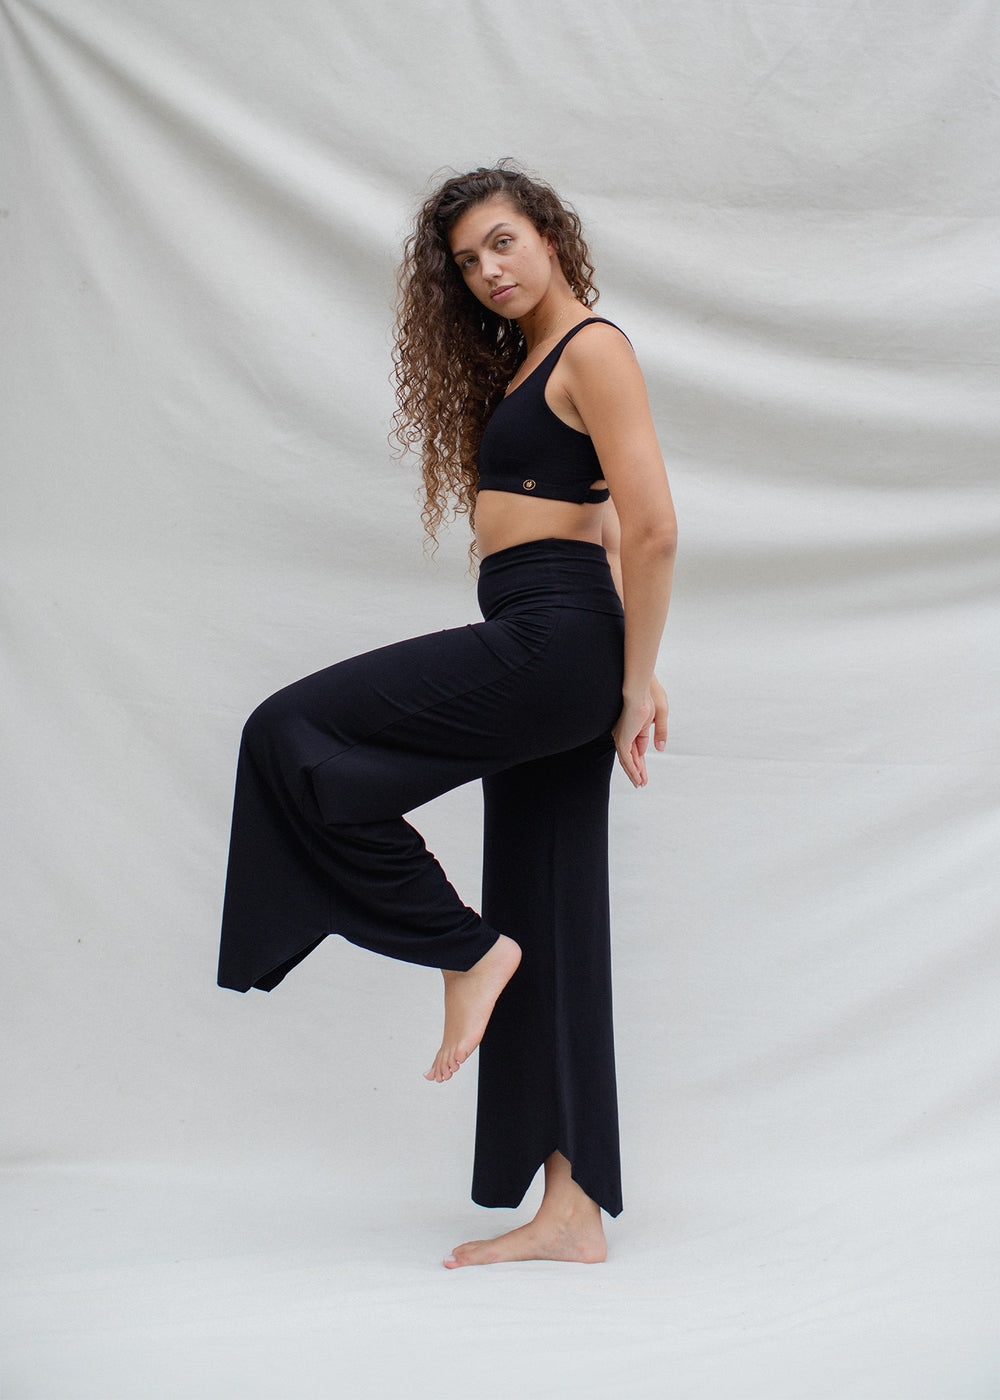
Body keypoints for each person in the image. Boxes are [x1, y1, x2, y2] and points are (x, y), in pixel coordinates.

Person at [218, 162, 677, 1268]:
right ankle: (572, 1210)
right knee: (552, 907)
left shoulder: (593, 348)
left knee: (289, 733)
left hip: (553, 641)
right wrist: (634, 662)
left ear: (550, 233)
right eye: (468, 261)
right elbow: (608, 524)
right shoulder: (531, 363)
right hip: (558, 633)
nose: (488, 271)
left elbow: (654, 524)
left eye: (503, 242)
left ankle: (464, 948)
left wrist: (631, 679)